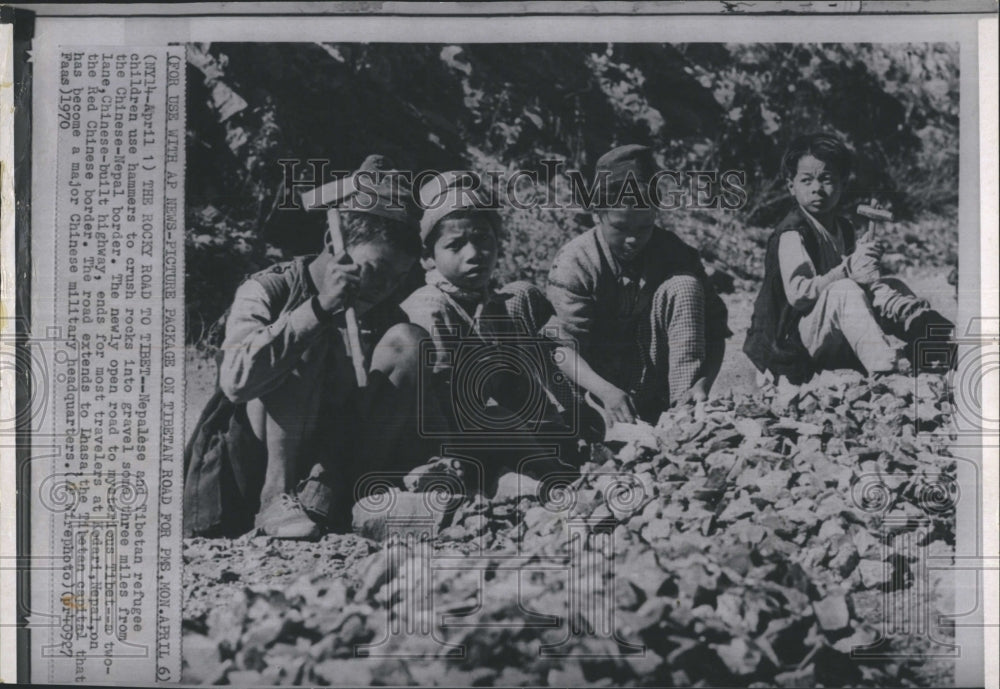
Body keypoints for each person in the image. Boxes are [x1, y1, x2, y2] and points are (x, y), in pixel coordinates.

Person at [183, 155, 427, 540]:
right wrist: (317, 310)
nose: (383, 288)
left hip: (330, 474)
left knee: (409, 342)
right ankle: (275, 498)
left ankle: (355, 495)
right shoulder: (268, 289)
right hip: (253, 462)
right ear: (334, 242)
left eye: (396, 279)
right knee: (309, 331)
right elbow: (235, 384)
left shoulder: (383, 311)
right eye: (375, 271)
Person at [400, 171, 577, 479]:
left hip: (472, 429)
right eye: (455, 245)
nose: (474, 255)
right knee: (501, 421)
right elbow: (435, 400)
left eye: (483, 240)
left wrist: (558, 432)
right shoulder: (431, 307)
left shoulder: (492, 307)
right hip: (428, 436)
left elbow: (517, 386)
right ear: (428, 258)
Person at [743, 132, 954, 384]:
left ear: (843, 183)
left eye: (826, 179)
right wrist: (848, 268)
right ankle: (885, 369)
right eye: (807, 180)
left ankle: (938, 336)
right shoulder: (792, 232)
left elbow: (858, 282)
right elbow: (799, 295)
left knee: (891, 285)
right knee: (844, 290)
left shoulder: (843, 228)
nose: (817, 189)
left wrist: (864, 264)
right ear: (792, 186)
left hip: (829, 331)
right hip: (789, 343)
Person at [545, 144, 730, 428]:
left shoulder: (674, 253)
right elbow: (560, 349)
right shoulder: (576, 262)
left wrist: (702, 384)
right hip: (593, 388)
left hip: (655, 386)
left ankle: (685, 417)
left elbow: (715, 331)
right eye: (620, 228)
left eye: (643, 228)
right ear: (598, 214)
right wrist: (605, 391)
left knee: (684, 286)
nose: (632, 240)